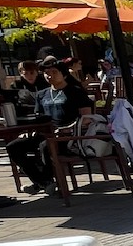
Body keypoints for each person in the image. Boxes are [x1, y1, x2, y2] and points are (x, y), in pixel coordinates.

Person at [7, 59, 93, 195]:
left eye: (54, 72)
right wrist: (29, 131)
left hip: (70, 135)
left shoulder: (75, 91)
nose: (49, 75)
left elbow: (87, 118)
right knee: (14, 146)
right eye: (46, 73)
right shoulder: (42, 94)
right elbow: (38, 117)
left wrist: (67, 129)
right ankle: (42, 181)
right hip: (45, 133)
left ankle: (45, 182)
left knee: (46, 146)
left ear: (64, 74)